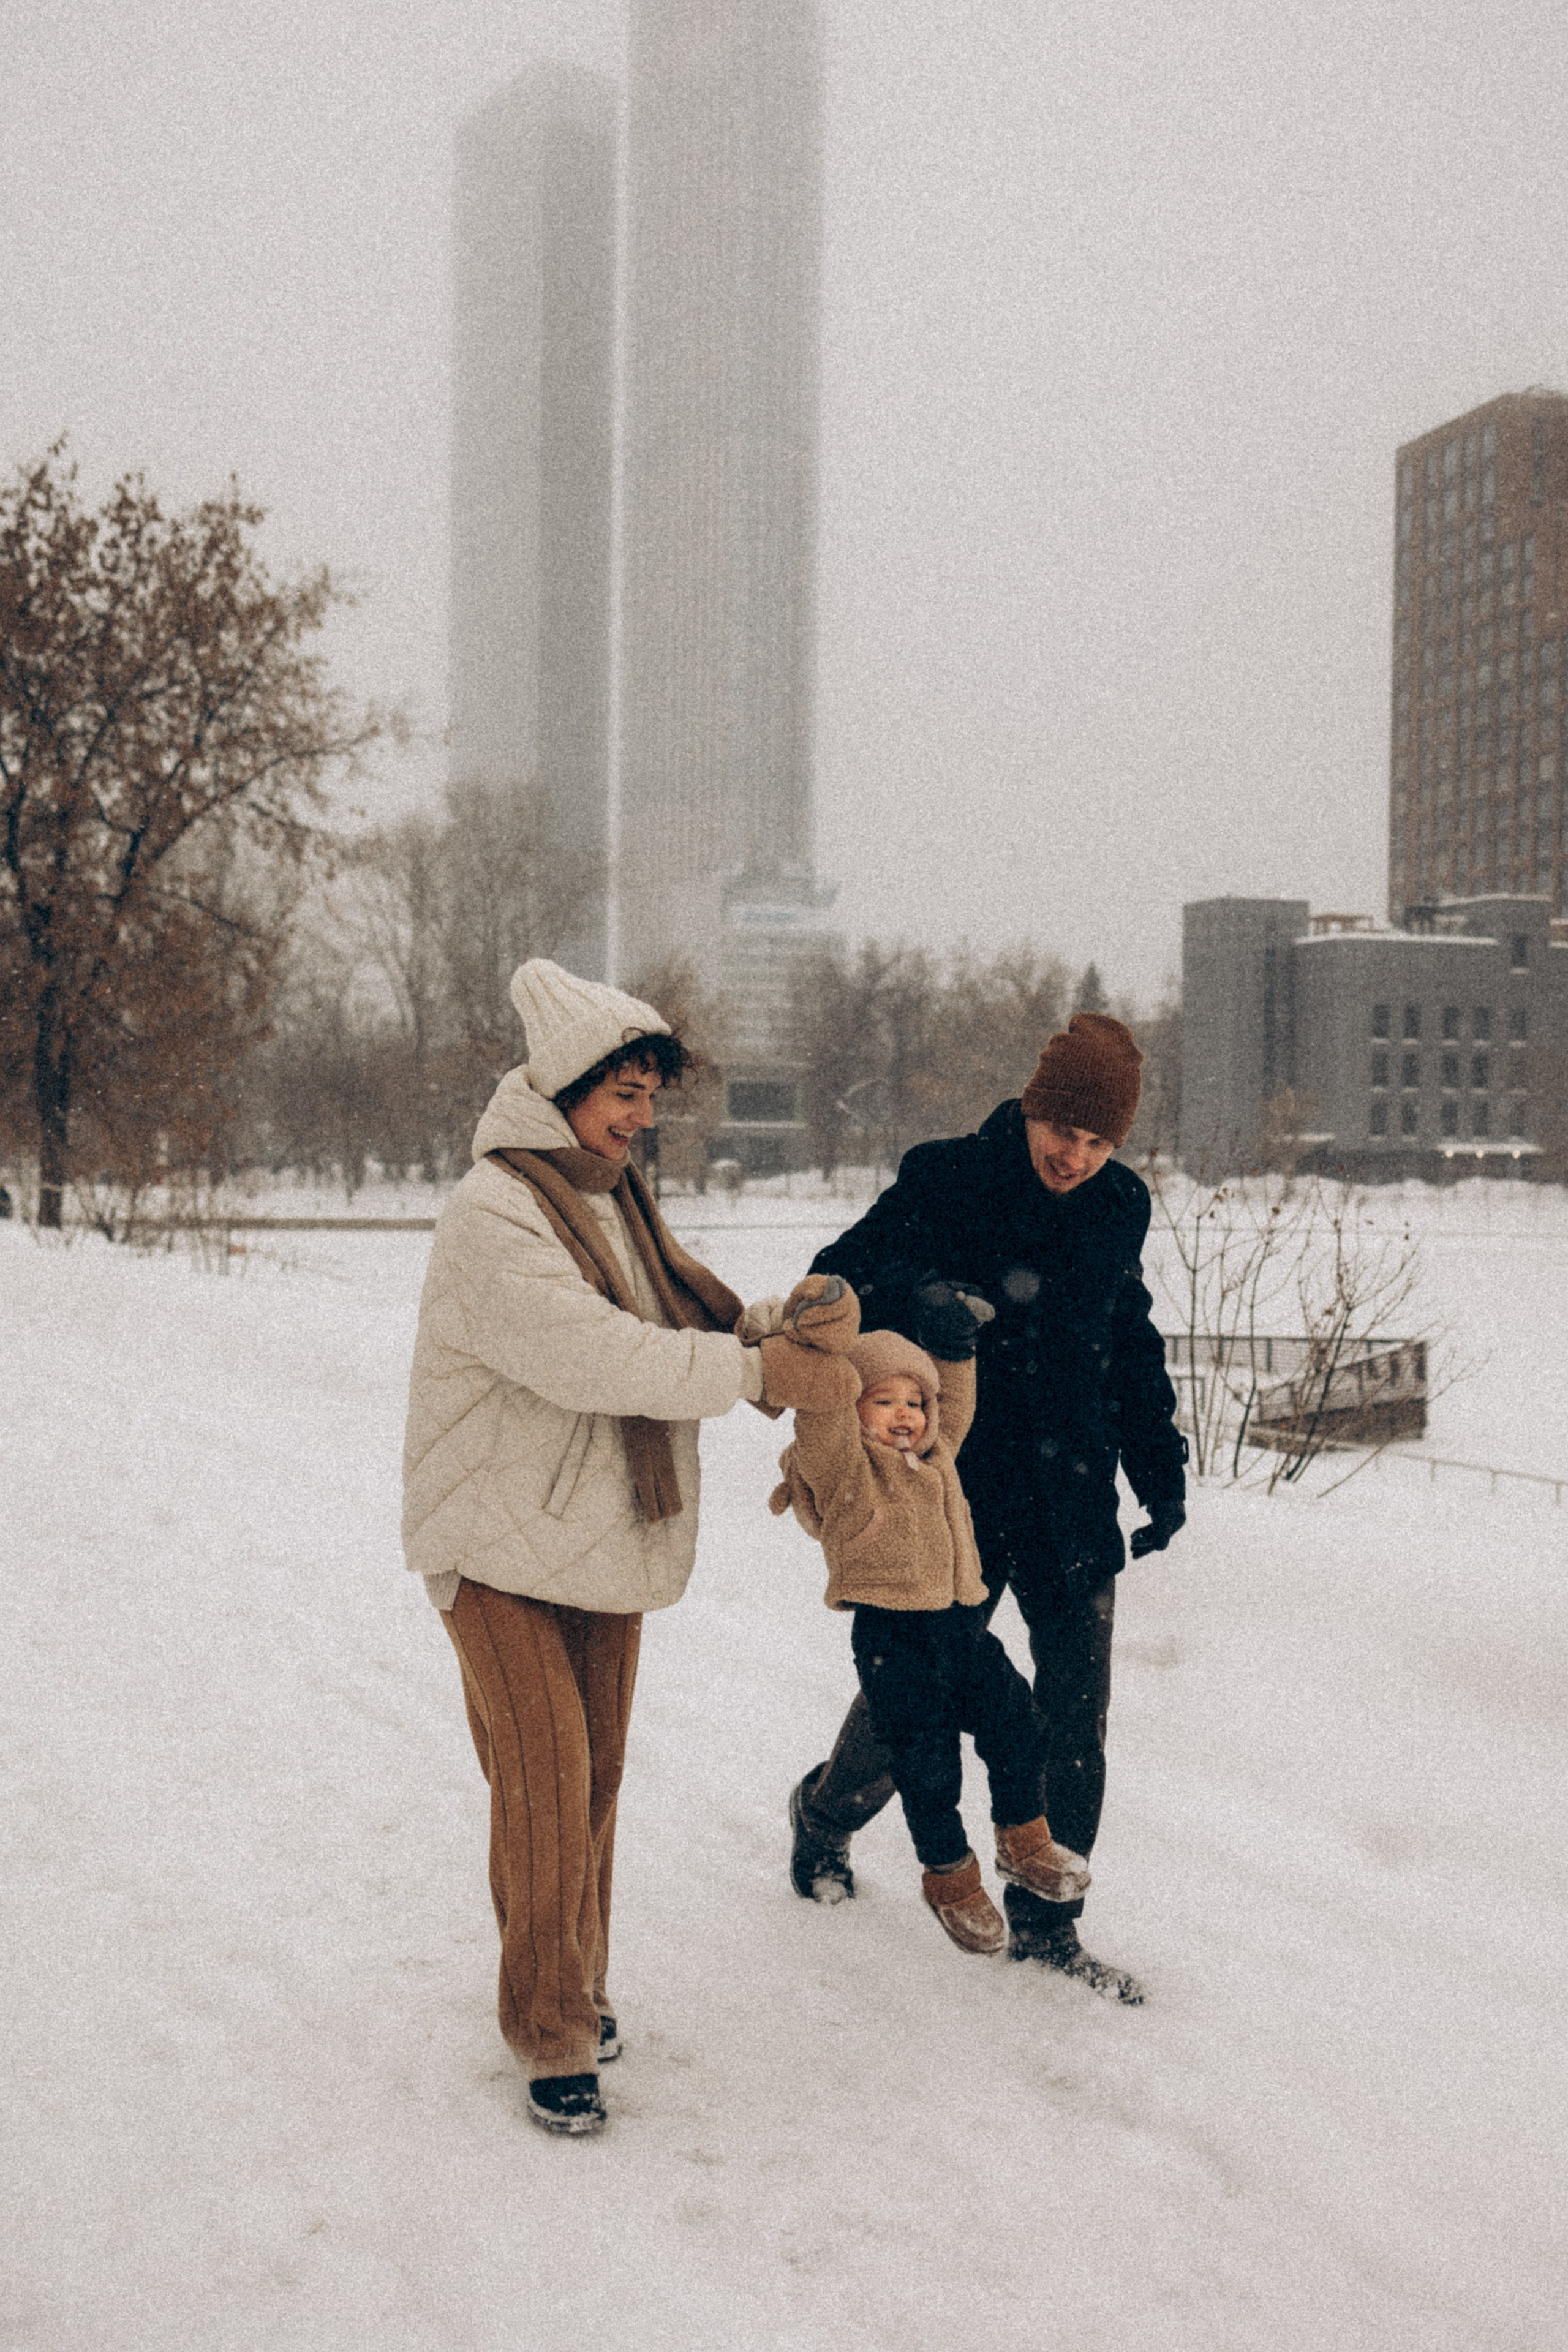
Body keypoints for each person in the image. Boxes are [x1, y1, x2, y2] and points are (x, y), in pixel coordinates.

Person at [401, 959, 826, 2135]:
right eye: (625, 1094)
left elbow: (669, 1313)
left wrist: (774, 1326)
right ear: (564, 1087)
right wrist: (749, 1375)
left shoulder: (610, 1196)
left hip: (593, 1528)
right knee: (546, 1779)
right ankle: (549, 2030)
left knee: (592, 1783)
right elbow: (593, 1352)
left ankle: (575, 1985)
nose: (644, 1118)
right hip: (493, 1534)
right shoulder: (495, 1206)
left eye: (651, 1096)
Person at [786, 1012, 1188, 2003]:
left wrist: (1161, 1463)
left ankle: (1052, 1926)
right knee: (915, 1691)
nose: (1077, 1157)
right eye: (1067, 1132)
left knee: (1072, 1716)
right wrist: (918, 1298)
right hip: (950, 1494)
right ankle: (827, 1815)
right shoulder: (951, 1176)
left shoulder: (1119, 1206)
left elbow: (1125, 1335)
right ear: (1034, 1109)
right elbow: (837, 1275)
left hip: (1073, 1498)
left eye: (1101, 1144)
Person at [755, 1273, 1091, 1954]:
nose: (905, 1414)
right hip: (894, 1639)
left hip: (959, 1625)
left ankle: (1023, 1842)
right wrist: (819, 1351)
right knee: (928, 1767)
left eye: (913, 1401)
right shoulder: (844, 1466)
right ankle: (950, 1879)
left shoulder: (936, 1455)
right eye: (883, 1401)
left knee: (1020, 1725)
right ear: (852, 1408)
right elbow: (820, 1416)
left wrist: (954, 1345)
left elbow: (954, 1402)